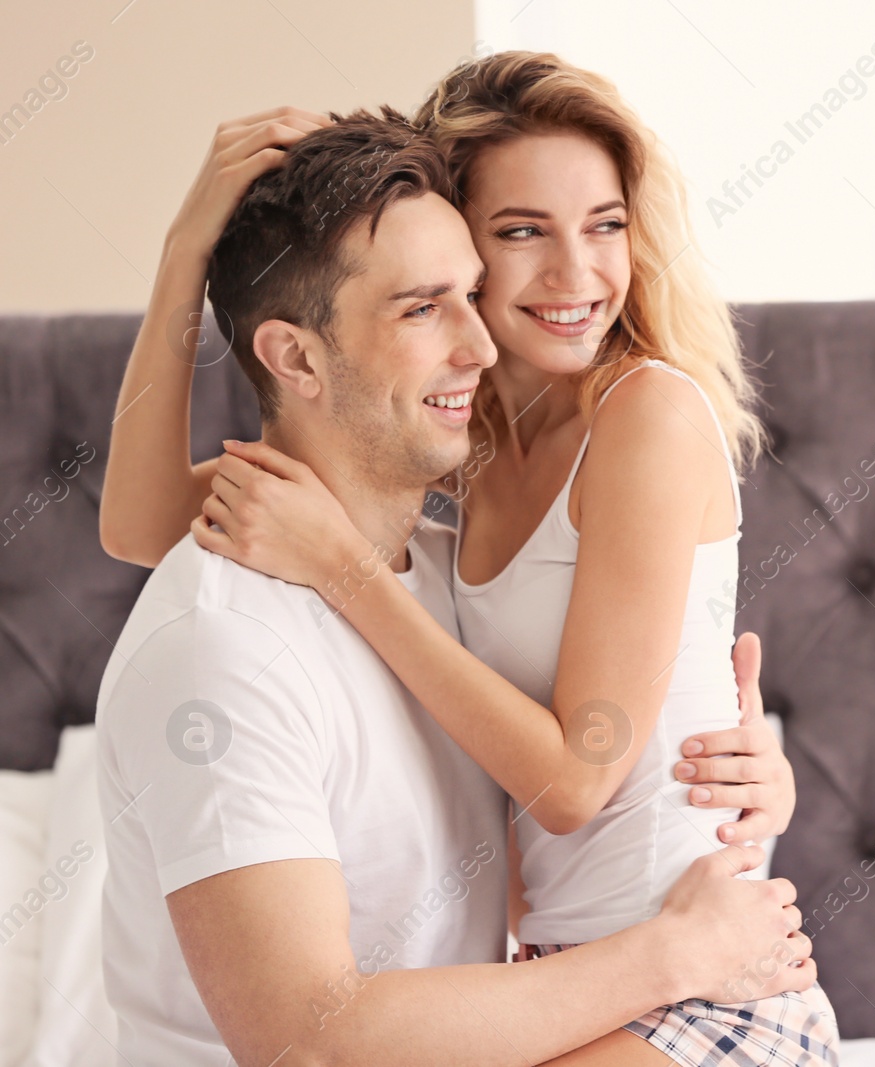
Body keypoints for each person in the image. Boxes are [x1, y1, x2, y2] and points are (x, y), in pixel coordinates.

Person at [96, 105, 812, 1067]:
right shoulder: (247, 629)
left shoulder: (448, 538)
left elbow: (580, 776)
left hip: (681, 982)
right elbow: (138, 524)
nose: (478, 341)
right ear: (295, 355)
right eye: (428, 301)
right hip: (630, 968)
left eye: (606, 223)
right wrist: (191, 253)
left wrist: (735, 782)